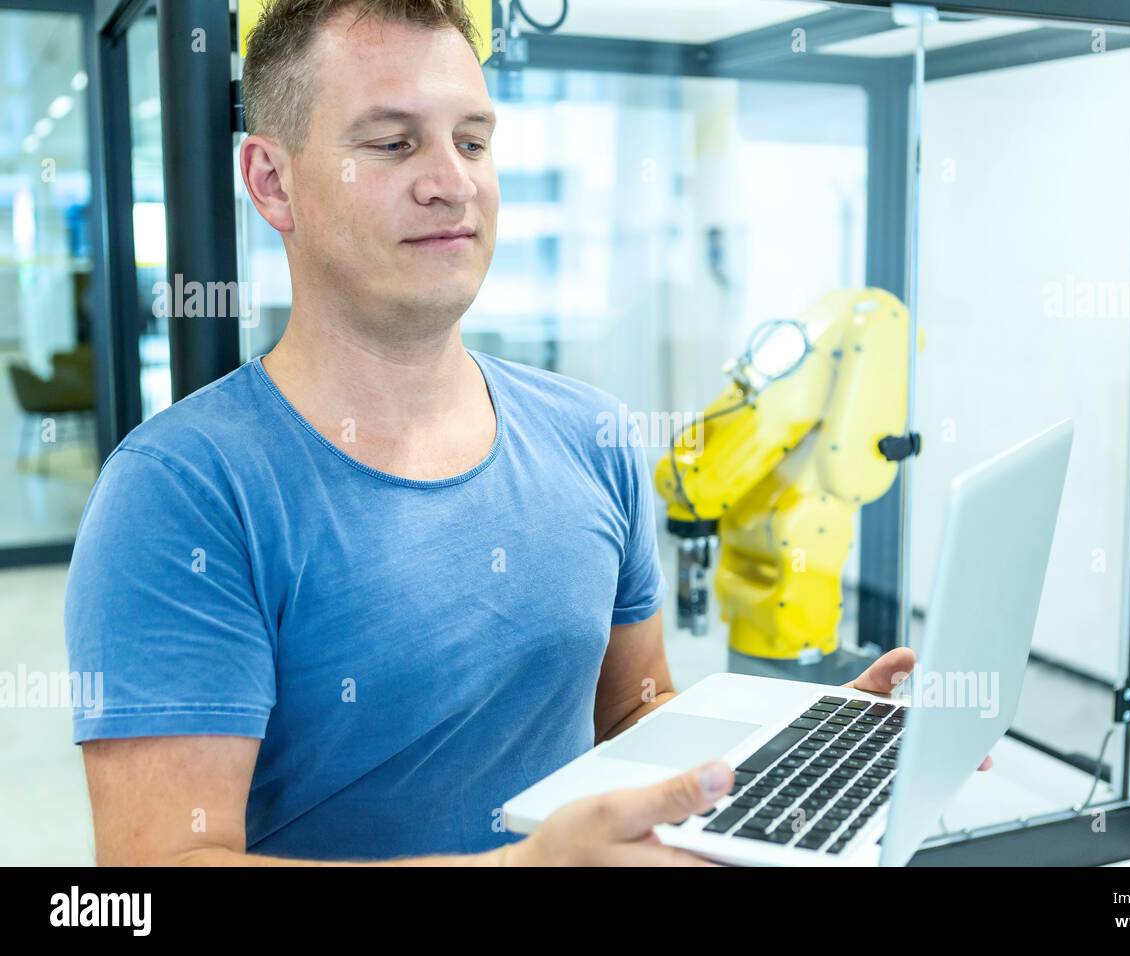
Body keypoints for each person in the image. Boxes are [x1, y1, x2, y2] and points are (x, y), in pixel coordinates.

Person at [65, 0, 984, 867]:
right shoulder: (181, 493)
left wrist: (781, 750)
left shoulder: (591, 433)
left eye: (473, 140)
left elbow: (635, 710)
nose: (452, 182)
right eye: (393, 144)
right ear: (274, 182)